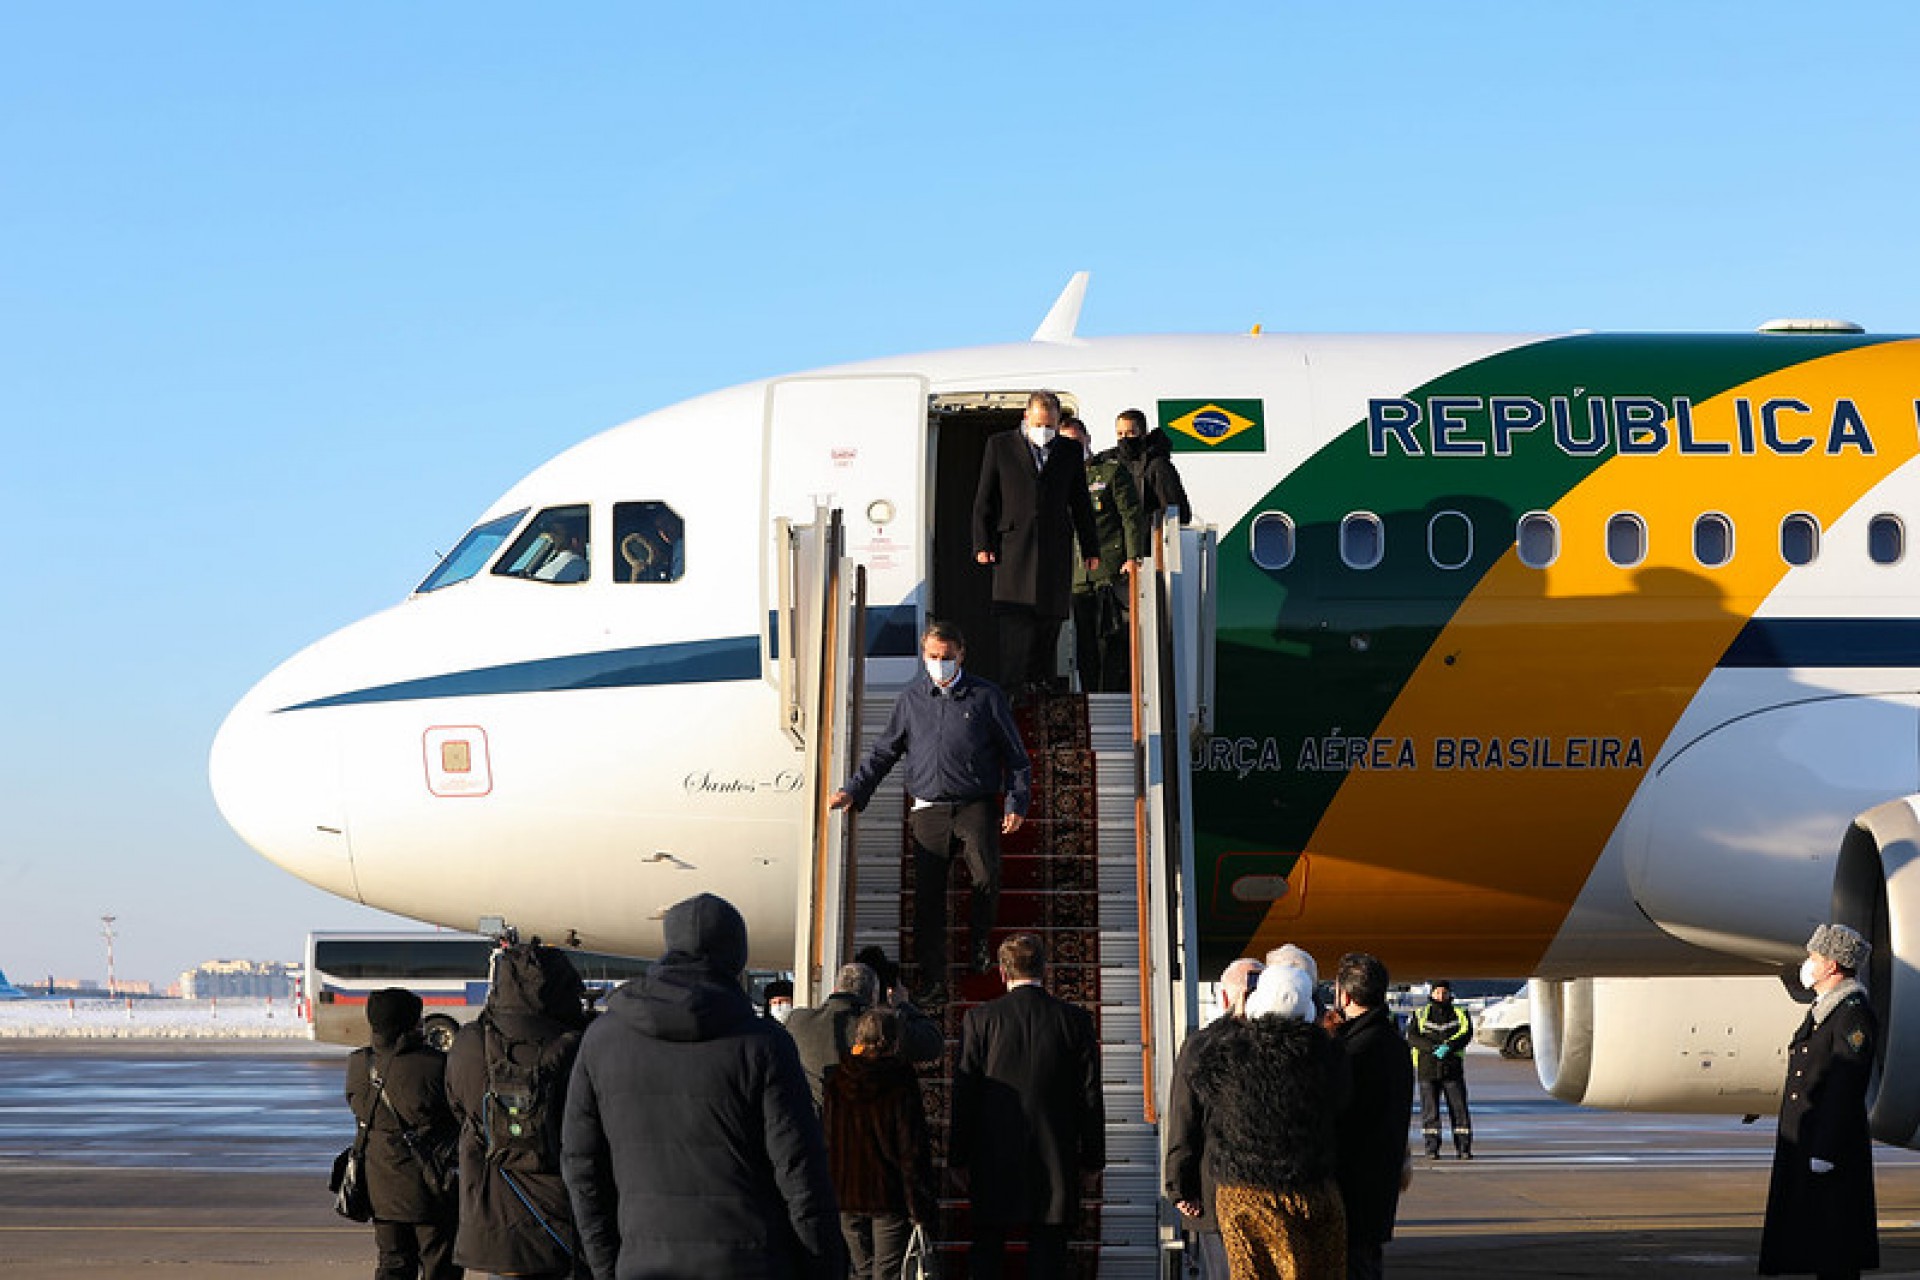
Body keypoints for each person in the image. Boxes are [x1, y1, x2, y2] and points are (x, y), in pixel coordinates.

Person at [561, 893, 842, 1279]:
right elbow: (800, 1172)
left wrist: (607, 1265)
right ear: (737, 956)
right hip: (751, 1263)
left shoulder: (602, 1040)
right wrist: (823, 1267)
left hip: (643, 1264)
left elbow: (581, 1168)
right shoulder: (765, 1044)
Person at [829, 620, 1032, 1004]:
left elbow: (1017, 758)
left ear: (961, 656)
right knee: (928, 898)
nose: (940, 664)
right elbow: (884, 752)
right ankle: (934, 978)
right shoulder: (910, 700)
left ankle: (978, 944)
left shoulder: (986, 697)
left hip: (974, 803)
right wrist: (853, 790)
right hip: (928, 808)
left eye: (947, 658)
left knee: (986, 874)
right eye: (933, 657)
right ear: (924, 657)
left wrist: (1016, 802)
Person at [952, 933, 1104, 1280]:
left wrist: (958, 1157)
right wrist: (1093, 1159)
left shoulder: (980, 1019)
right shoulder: (1075, 1020)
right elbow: (1090, 1095)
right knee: (1048, 1259)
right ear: (1044, 970)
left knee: (987, 1255)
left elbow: (966, 1093)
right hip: (1055, 1156)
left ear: (1003, 973)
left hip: (994, 1157)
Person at [1193, 962, 1349, 1280]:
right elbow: (1341, 1101)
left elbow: (1201, 1080)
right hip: (1309, 1189)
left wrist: (1236, 1017)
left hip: (1244, 1193)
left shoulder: (1230, 1054)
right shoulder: (1326, 1056)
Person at [444, 942, 589, 1280]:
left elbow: (457, 1107)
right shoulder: (579, 1043)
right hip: (561, 1216)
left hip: (494, 1215)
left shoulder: (470, 1043)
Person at [1759, 923, 1880, 1278]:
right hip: (1808, 1142)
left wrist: (1825, 1149)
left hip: (1829, 1148)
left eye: (1813, 957)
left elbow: (1845, 1086)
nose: (1807, 964)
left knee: (1835, 1242)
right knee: (1819, 1237)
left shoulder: (1851, 1013)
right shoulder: (1825, 1010)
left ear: (1831, 966)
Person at [972, 390, 1101, 690]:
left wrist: (1090, 548)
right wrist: (982, 543)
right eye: (1040, 424)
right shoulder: (1000, 446)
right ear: (1026, 418)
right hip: (1013, 552)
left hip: (1054, 551)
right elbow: (984, 500)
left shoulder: (1069, 450)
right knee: (1016, 638)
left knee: (1048, 630)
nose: (1045, 431)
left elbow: (1080, 502)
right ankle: (1014, 699)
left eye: (1051, 425)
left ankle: (1042, 696)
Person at [344, 987, 463, 1280]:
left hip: (380, 1187)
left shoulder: (359, 1063)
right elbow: (460, 1115)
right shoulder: (436, 1065)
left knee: (393, 1264)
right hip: (432, 1185)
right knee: (440, 1265)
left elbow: (356, 1107)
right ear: (412, 1023)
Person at [1165, 957, 1264, 1280]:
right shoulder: (1289, 1045)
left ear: (1223, 997)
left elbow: (1184, 1116)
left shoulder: (1201, 1045)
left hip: (1215, 1190)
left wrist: (1179, 1186)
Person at [823, 1008, 939, 1280]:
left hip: (845, 1192)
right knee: (885, 1272)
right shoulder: (900, 1079)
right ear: (893, 1041)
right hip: (887, 1193)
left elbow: (827, 1138)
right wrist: (920, 1207)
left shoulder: (836, 1078)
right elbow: (911, 1148)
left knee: (860, 1270)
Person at [1329, 953, 1414, 1280]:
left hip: (1351, 1187)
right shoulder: (1393, 1041)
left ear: (1344, 995)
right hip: (1379, 1184)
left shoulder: (1353, 1049)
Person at [784, 961, 942, 1113]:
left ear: (834, 989)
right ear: (873, 996)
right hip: (862, 1126)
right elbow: (932, 1042)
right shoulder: (879, 1028)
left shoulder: (798, 1021)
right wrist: (902, 1005)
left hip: (814, 1126)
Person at [1058, 415, 1143, 694]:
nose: (1072, 447)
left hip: (1109, 568)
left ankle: (1112, 693)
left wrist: (1133, 557)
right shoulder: (1059, 479)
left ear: (1087, 440)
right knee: (1085, 643)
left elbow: (1130, 516)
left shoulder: (1109, 473)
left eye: (1076, 441)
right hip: (1077, 575)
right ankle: (1091, 695)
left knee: (1110, 638)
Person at [1407, 980, 1473, 1159]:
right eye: (1437, 992)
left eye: (1444, 992)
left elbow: (1466, 1033)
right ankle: (1432, 1148)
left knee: (1459, 1109)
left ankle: (1463, 1148)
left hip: (1452, 1069)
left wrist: (1449, 1046)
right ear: (1432, 994)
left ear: (1449, 994)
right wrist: (1432, 1048)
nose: (1441, 996)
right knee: (1430, 1112)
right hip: (1427, 1069)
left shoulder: (1460, 1013)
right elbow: (1412, 1037)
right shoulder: (1420, 1014)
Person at [1113, 408, 1192, 527]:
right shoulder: (1112, 464)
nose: (1124, 438)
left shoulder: (1158, 466)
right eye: (1120, 433)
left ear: (1143, 433)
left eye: (1130, 433)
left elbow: (1178, 513)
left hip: (1152, 540)